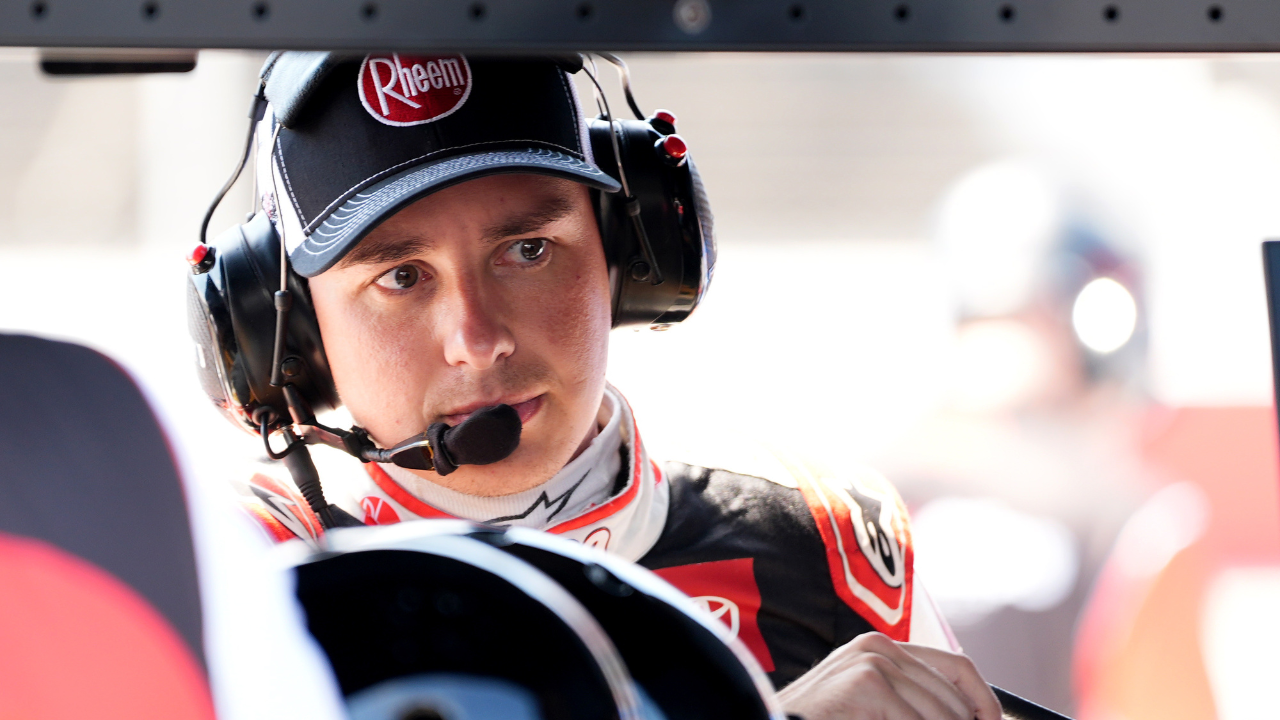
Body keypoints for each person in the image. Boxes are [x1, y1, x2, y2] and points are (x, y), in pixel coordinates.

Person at [202, 51, 1000, 720]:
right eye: (403, 277)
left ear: (630, 250)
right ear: (293, 337)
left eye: (528, 250)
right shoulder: (237, 579)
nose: (479, 342)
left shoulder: (822, 542)